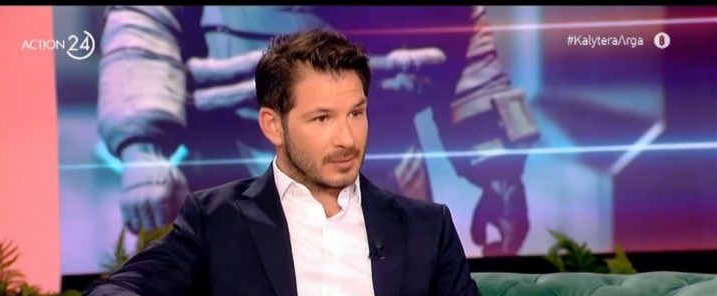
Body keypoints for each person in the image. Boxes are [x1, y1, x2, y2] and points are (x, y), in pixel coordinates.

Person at [75, 28, 508, 296]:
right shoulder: (219, 219)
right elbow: (104, 295)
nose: (346, 138)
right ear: (273, 125)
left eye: (356, 113)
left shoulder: (425, 225)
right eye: (322, 118)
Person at [97, 5, 538, 257]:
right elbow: (144, 21)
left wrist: (499, 172)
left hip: (383, 156)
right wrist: (142, 149)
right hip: (237, 158)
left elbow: (461, 33)